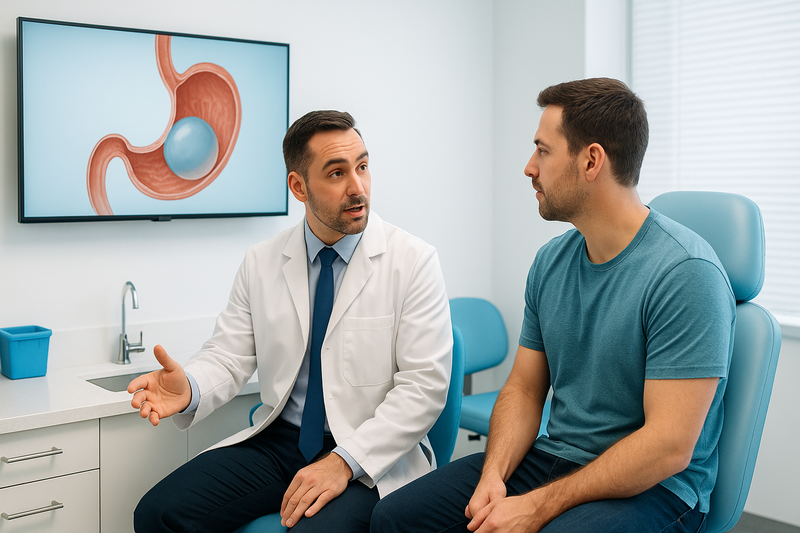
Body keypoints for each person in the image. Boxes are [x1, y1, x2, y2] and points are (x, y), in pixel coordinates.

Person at [370, 78, 735, 533]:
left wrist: (540, 506)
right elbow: (524, 390)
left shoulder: (686, 273)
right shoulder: (551, 262)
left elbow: (668, 446)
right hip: (554, 457)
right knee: (395, 518)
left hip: (658, 489)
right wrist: (493, 475)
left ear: (591, 160)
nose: (528, 167)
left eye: (542, 150)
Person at [128, 110, 453, 533]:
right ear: (298, 186)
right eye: (337, 173)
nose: (358, 188)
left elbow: (423, 388)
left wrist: (342, 462)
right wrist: (190, 386)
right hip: (281, 442)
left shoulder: (413, 261)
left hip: (368, 451)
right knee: (157, 514)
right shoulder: (262, 262)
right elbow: (228, 356)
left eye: (363, 166)